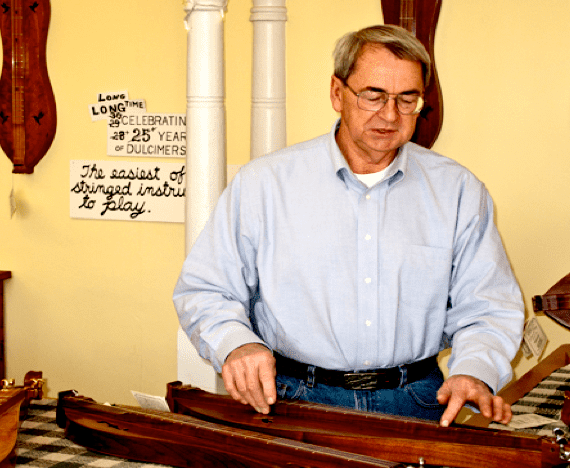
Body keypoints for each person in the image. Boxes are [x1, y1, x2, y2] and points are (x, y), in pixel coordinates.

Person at [174, 25, 524, 427]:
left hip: (418, 401)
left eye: (407, 99)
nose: (390, 115)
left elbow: (488, 305)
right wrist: (236, 345)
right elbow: (205, 289)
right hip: (292, 398)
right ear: (337, 93)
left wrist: (474, 371)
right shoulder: (264, 184)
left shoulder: (458, 191)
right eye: (373, 95)